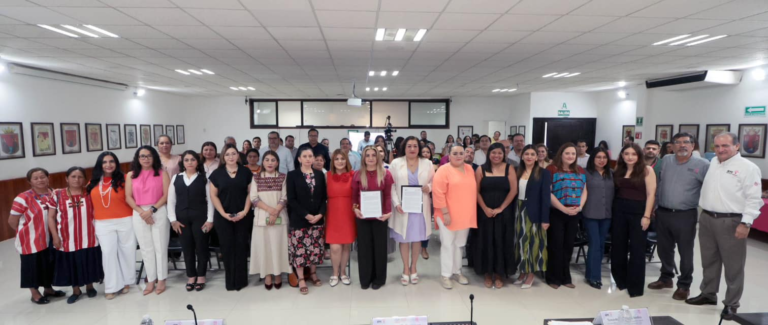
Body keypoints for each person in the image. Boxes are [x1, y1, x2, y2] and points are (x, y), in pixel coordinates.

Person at [686, 132, 763, 320]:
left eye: (725, 146)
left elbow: (754, 198)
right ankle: (708, 294)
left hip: (732, 221)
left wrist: (746, 223)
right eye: (717, 146)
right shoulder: (713, 163)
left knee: (733, 265)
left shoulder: (748, 168)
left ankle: (731, 304)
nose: (720, 150)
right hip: (706, 219)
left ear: (736, 146)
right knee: (709, 260)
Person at [648, 132, 709, 301]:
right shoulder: (666, 160)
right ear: (672, 145)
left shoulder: (703, 164)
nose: (682, 145)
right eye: (678, 142)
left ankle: (684, 285)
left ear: (692, 145)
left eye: (686, 142)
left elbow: (709, 188)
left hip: (685, 215)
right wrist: (654, 206)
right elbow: (658, 183)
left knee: (685, 252)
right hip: (663, 212)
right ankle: (666, 278)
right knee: (664, 249)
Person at [47, 167, 103, 304]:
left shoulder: (90, 192)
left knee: (88, 261)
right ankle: (76, 290)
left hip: (89, 236)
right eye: (73, 176)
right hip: (67, 238)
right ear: (67, 178)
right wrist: (55, 236)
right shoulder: (58, 194)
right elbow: (51, 217)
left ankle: (90, 286)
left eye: (80, 177)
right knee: (72, 264)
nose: (77, 180)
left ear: (84, 179)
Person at [11, 168, 66, 304]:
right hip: (31, 239)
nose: (40, 180)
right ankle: (34, 293)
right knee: (32, 266)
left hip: (50, 237)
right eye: (36, 178)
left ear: (48, 178)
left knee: (48, 263)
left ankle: (48, 289)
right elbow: (12, 221)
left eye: (43, 177)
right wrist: (25, 233)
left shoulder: (54, 194)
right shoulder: (23, 198)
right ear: (29, 181)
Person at [88, 152, 135, 300]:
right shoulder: (93, 182)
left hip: (126, 220)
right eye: (104, 162)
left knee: (126, 252)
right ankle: (112, 286)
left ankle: (127, 281)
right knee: (108, 254)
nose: (108, 165)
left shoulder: (125, 178)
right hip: (102, 223)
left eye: (111, 161)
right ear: (99, 165)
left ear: (116, 163)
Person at [611, 143, 656, 298]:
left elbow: (651, 194)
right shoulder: (618, 170)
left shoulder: (646, 170)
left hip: (638, 213)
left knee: (637, 250)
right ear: (622, 155)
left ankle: (635, 286)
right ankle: (620, 281)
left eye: (633, 154)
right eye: (626, 154)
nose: (630, 157)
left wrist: (647, 216)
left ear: (639, 156)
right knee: (618, 248)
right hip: (619, 212)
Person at [125, 146, 171, 295]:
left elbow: (166, 195)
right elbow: (128, 197)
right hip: (139, 213)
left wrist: (151, 211)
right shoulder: (131, 175)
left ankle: (162, 279)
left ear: (154, 158)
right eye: (142, 156)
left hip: (158, 210)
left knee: (160, 246)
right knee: (146, 248)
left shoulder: (162, 174)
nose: (146, 159)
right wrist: (142, 213)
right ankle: (151, 279)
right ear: (137, 159)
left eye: (149, 156)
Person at [473, 143, 518, 289]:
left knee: (501, 240)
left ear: (504, 154)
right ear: (489, 154)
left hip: (504, 211)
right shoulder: (481, 169)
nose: (496, 156)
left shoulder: (509, 168)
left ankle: (499, 273)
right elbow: (476, 191)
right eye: (494, 153)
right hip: (484, 211)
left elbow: (513, 190)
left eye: (499, 153)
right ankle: (487, 272)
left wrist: (501, 208)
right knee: (486, 240)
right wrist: (485, 208)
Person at [390, 137, 434, 286]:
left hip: (420, 208)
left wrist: (430, 187)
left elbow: (434, 181)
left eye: (415, 146)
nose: (412, 149)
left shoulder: (427, 163)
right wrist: (396, 203)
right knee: (404, 238)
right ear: (404, 147)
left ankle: (413, 267)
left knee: (416, 238)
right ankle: (405, 269)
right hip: (403, 207)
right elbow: (392, 186)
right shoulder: (396, 163)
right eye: (409, 146)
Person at [167, 150, 214, 292]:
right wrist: (173, 220)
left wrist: (210, 220)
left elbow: (210, 201)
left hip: (200, 218)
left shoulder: (204, 178)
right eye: (186, 160)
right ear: (183, 163)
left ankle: (201, 276)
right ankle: (191, 276)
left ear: (197, 162)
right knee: (187, 248)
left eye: (193, 160)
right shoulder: (176, 178)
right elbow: (171, 201)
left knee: (201, 247)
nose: (190, 162)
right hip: (181, 220)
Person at [209, 144, 254, 291]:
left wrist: (244, 211)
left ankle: (241, 281)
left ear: (238, 156)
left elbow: (250, 193)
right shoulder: (216, 174)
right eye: (227, 154)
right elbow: (213, 196)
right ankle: (230, 281)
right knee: (227, 249)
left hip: (243, 216)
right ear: (223, 156)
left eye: (233, 153)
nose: (231, 157)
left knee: (241, 247)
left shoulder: (246, 172)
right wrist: (223, 214)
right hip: (223, 217)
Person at [433, 145, 478, 289]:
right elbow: (438, 192)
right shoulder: (443, 170)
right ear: (449, 155)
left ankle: (457, 272)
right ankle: (446, 274)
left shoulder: (469, 169)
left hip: (465, 214)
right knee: (447, 244)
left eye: (461, 153)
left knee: (459, 244)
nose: (458, 156)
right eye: (455, 153)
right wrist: (445, 213)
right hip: (447, 214)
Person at [546, 143, 587, 289]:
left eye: (573, 154)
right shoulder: (551, 169)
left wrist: (580, 207)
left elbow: (584, 190)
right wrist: (563, 208)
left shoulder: (580, 170)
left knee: (568, 246)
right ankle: (553, 277)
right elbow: (548, 192)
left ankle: (565, 277)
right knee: (555, 245)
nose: (570, 156)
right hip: (557, 212)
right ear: (561, 154)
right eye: (567, 153)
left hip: (574, 213)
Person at [352, 146, 394, 290]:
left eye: (373, 155)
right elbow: (354, 197)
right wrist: (355, 208)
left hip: (380, 217)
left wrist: (388, 212)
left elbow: (388, 195)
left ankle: (379, 279)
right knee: (364, 249)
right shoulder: (357, 175)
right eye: (367, 155)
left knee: (380, 249)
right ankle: (365, 279)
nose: (370, 158)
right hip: (362, 217)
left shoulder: (386, 174)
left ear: (378, 157)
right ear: (363, 158)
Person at [287, 147, 328, 294]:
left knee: (315, 249)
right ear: (299, 159)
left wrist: (320, 214)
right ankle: (301, 278)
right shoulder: (292, 175)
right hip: (299, 219)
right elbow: (291, 200)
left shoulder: (319, 174)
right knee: (299, 251)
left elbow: (324, 198)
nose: (308, 158)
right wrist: (306, 215)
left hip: (317, 219)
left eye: (310, 156)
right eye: (304, 156)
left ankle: (312, 274)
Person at [249, 150, 291, 291]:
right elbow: (253, 198)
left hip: (279, 217)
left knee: (278, 246)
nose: (270, 163)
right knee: (264, 247)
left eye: (273, 160)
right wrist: (270, 210)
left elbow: (285, 197)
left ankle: (278, 273)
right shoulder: (256, 177)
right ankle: (267, 274)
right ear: (263, 161)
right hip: (262, 217)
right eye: (267, 160)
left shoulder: (283, 177)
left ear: (278, 162)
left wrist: (276, 211)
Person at [514, 145, 551, 289]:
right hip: (519, 210)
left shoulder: (543, 173)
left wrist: (545, 219)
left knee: (534, 244)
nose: (529, 156)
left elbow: (546, 198)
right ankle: (522, 271)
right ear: (522, 156)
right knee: (521, 243)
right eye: (526, 154)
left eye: (532, 154)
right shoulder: (517, 171)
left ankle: (531, 274)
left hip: (535, 212)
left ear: (537, 157)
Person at [582, 147, 613, 290]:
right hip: (590, 214)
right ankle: (594, 276)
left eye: (604, 157)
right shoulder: (585, 173)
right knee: (594, 244)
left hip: (607, 215)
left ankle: (591, 273)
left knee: (601, 245)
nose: (601, 160)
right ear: (592, 158)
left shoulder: (611, 174)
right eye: (598, 157)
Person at [326, 149, 356, 287]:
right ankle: (334, 273)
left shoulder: (353, 175)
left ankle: (343, 272)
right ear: (333, 161)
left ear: (347, 160)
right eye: (337, 159)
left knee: (345, 245)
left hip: (348, 212)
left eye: (342, 159)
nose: (340, 161)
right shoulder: (327, 176)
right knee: (335, 247)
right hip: (333, 213)